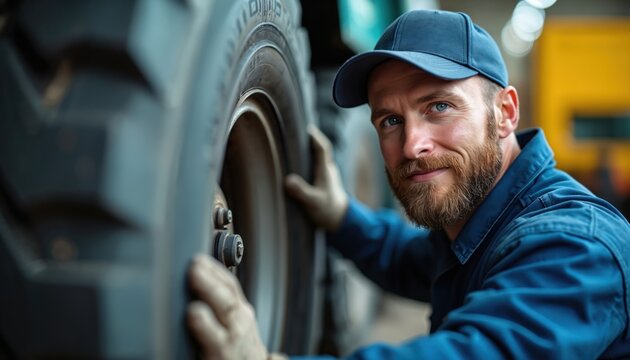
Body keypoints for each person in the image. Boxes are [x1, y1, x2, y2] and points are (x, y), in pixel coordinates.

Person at [186, 9, 630, 359]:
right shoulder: (480, 220)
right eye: (391, 120)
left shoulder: (574, 246)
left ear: (506, 113)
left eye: (439, 106)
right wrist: (340, 214)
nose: (412, 144)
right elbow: (406, 259)